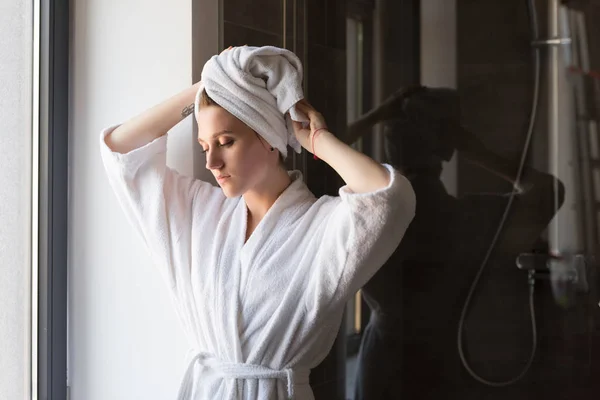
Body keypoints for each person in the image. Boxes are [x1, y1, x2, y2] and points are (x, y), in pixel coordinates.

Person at [99, 45, 416, 400]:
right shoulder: (199, 213)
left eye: (226, 142)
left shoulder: (321, 228)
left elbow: (389, 198)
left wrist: (315, 140)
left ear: (268, 137)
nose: (212, 162)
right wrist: (209, 84)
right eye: (205, 146)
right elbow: (121, 151)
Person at [347, 86, 565, 399]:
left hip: (385, 368)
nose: (392, 135)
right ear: (448, 148)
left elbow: (311, 151)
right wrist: (474, 150)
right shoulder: (468, 219)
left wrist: (375, 116)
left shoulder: (366, 213)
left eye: (395, 127)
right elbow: (549, 191)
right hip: (446, 366)